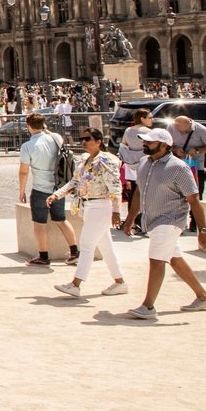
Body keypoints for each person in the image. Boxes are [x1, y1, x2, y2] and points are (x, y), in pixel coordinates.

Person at [122, 128, 206, 320]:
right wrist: (130, 218)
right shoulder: (144, 162)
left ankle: (148, 306)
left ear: (164, 146)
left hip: (171, 221)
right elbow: (139, 191)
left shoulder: (178, 168)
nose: (145, 144)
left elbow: (194, 200)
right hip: (152, 222)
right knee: (174, 258)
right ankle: (203, 296)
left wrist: (202, 231)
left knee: (156, 260)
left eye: (150, 142)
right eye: (144, 141)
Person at [49, 127, 128, 299]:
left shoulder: (106, 160)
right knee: (106, 247)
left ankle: (76, 284)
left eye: (88, 139)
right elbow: (75, 181)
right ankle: (120, 282)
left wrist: (116, 211)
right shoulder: (85, 159)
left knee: (86, 245)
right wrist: (57, 194)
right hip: (89, 206)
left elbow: (115, 186)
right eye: (82, 139)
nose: (84, 142)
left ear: (98, 141)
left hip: (101, 206)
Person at [18, 112, 80, 266]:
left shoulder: (27, 146)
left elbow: (24, 171)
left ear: (29, 126)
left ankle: (44, 256)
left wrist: (22, 190)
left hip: (40, 187)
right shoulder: (56, 138)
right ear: (44, 125)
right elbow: (55, 137)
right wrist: (45, 130)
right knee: (61, 220)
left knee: (39, 223)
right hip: (58, 186)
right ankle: (74, 251)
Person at [167, 114, 206, 225]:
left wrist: (197, 150)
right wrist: (175, 150)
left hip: (196, 167)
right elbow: (167, 145)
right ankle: (177, 220)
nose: (183, 133)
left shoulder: (201, 130)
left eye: (186, 131)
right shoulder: (171, 127)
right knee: (176, 194)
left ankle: (196, 222)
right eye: (180, 131)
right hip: (176, 165)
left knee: (196, 194)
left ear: (189, 125)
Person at [117, 107, 153, 237]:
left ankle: (131, 220)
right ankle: (143, 221)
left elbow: (124, 145)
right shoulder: (148, 132)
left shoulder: (128, 130)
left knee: (133, 193)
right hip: (145, 164)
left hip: (131, 166)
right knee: (145, 193)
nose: (151, 120)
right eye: (149, 117)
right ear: (142, 118)